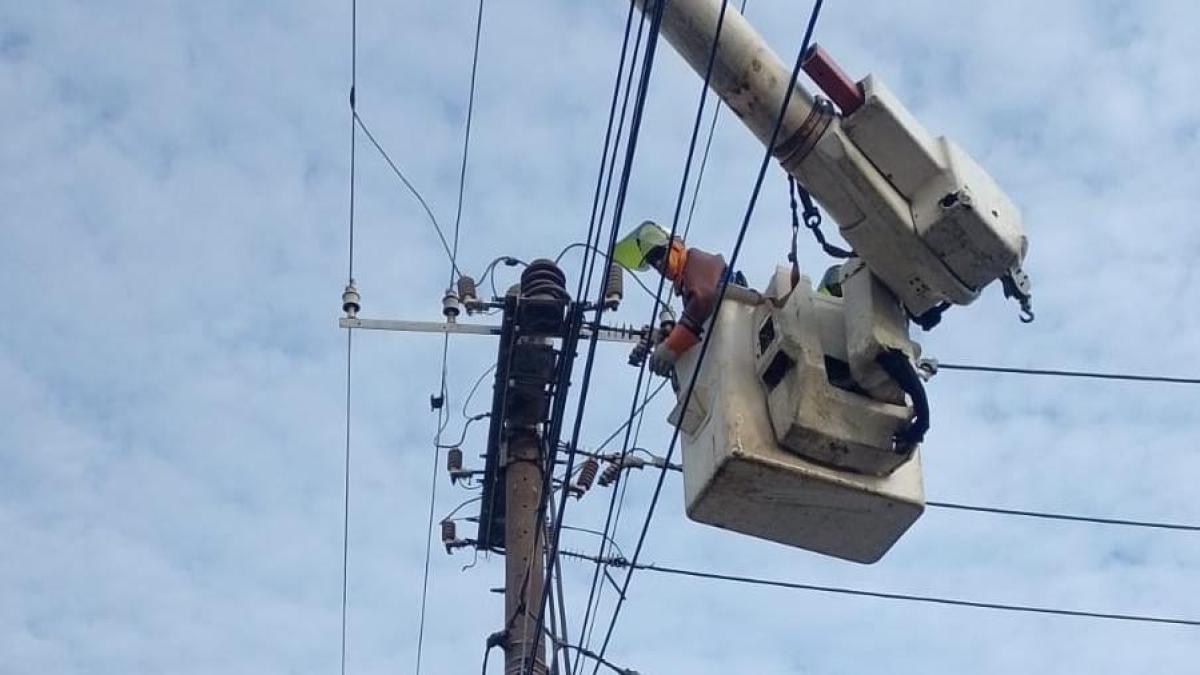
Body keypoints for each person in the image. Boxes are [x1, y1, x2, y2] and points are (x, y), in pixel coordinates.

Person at [613, 221, 730, 376]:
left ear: (675, 246)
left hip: (735, 329)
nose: (658, 263)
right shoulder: (687, 283)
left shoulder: (695, 261)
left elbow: (703, 299)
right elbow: (699, 325)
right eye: (652, 263)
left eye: (659, 254)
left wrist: (671, 345)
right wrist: (666, 336)